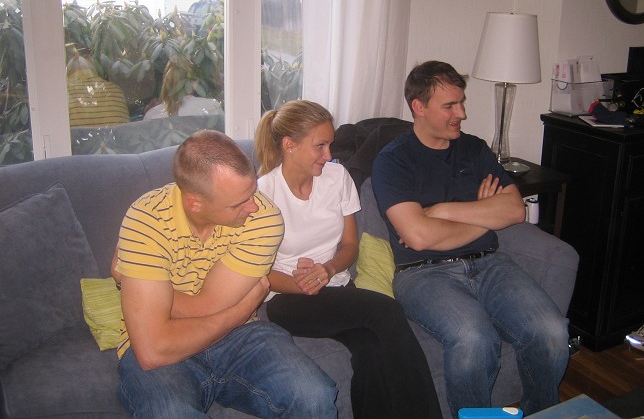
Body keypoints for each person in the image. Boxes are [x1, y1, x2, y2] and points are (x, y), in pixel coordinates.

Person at [371, 61, 570, 418]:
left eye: (461, 102)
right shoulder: (393, 161)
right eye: (449, 105)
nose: (461, 113)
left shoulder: (475, 150)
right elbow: (418, 236)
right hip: (422, 273)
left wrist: (443, 210)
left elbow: (514, 211)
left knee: (551, 332)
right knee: (474, 339)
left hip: (489, 263)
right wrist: (481, 214)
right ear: (418, 107)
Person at [111, 130, 337, 418]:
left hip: (240, 338)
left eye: (252, 191)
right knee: (170, 413)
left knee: (315, 395)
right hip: (170, 355)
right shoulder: (146, 220)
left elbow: (208, 306)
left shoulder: (263, 218)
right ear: (194, 202)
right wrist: (240, 311)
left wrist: (139, 288)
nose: (253, 206)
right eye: (238, 203)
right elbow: (153, 350)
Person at [254, 100, 443, 419]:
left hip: (337, 286)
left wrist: (327, 270)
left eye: (330, 145)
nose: (329, 155)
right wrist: (304, 283)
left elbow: (350, 245)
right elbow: (258, 273)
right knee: (387, 310)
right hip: (285, 299)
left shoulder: (337, 177)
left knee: (370, 349)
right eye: (320, 146)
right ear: (289, 145)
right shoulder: (263, 194)